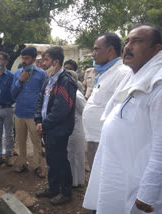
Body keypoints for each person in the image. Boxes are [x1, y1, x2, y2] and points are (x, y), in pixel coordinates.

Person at [83, 25, 162, 214]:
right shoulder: (134, 77)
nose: (128, 46)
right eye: (127, 41)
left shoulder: (158, 86)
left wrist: (147, 192)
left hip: (136, 181)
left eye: (137, 41)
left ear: (157, 49)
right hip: (117, 171)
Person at [34, 46, 77, 205]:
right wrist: (38, 120)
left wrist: (43, 125)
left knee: (60, 160)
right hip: (47, 127)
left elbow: (61, 110)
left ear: (56, 61)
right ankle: (53, 189)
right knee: (52, 160)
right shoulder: (49, 78)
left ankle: (65, 193)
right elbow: (40, 102)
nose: (43, 63)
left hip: (58, 129)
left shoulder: (66, 81)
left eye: (46, 60)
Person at [82, 33, 129, 171]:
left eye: (96, 49)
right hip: (95, 137)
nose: (93, 53)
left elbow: (123, 112)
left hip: (107, 141)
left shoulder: (123, 74)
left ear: (110, 50)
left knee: (103, 179)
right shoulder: (105, 73)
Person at [11, 46, 46, 178]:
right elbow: (13, 94)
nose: (24, 61)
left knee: (36, 141)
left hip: (34, 114)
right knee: (20, 141)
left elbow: (43, 95)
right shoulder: (18, 73)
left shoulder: (41, 74)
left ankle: (37, 165)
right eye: (23, 58)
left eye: (27, 58)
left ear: (34, 58)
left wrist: (41, 114)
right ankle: (23, 163)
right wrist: (20, 80)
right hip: (19, 112)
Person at [66, 70, 86, 188]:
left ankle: (78, 181)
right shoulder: (68, 92)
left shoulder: (77, 95)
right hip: (70, 128)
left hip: (76, 127)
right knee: (70, 155)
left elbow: (84, 111)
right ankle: (72, 180)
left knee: (77, 155)